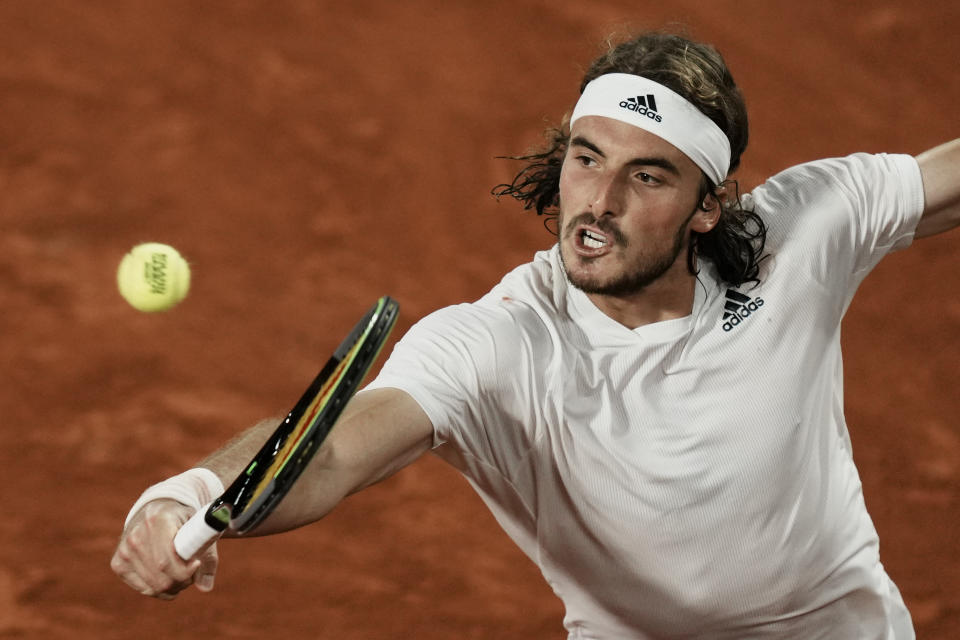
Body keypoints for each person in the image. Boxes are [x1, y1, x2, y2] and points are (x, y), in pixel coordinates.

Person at [111, 31, 959, 639]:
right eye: (586, 158)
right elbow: (326, 452)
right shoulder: (499, 344)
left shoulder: (802, 230)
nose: (598, 202)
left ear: (709, 206)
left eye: (646, 176)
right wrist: (186, 494)